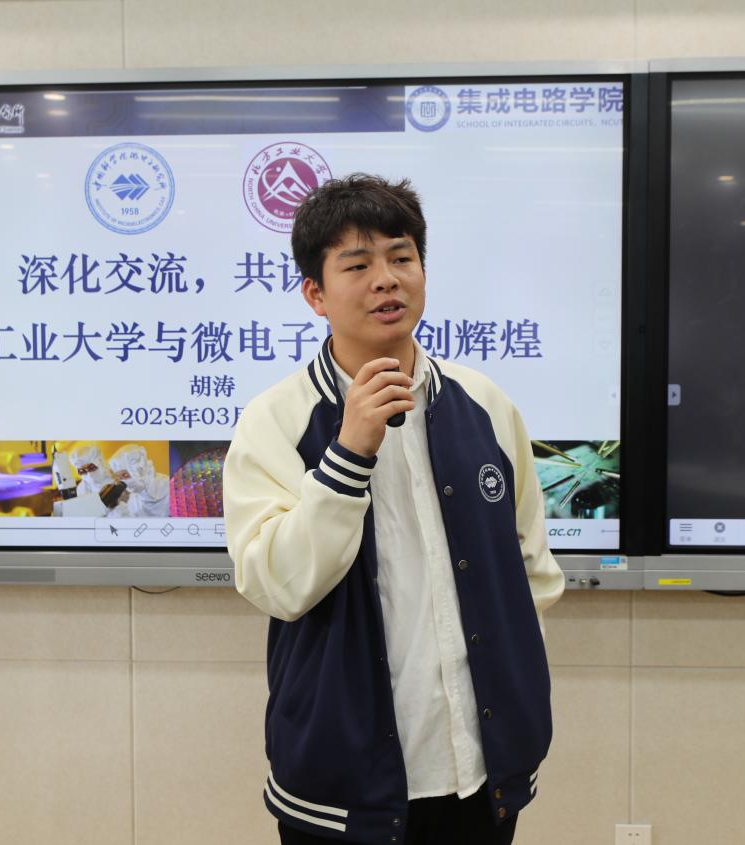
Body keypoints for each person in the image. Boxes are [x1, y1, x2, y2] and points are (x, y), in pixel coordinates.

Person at [223, 174, 565, 845]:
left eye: (401, 257)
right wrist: (349, 453)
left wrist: (517, 693)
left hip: (482, 771)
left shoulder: (484, 403)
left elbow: (531, 569)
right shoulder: (276, 420)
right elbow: (275, 583)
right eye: (358, 265)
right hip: (343, 783)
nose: (386, 279)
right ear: (315, 294)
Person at [108, 444, 170, 517]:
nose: (124, 481)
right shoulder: (133, 500)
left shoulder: (169, 486)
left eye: (125, 475)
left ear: (137, 468)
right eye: (120, 478)